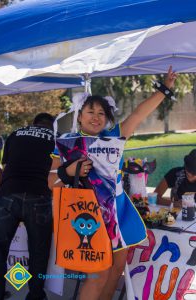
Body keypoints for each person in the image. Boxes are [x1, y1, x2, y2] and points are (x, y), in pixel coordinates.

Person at [48, 66, 176, 300]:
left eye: (102, 113)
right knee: (98, 274)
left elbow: (138, 114)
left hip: (119, 211)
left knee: (116, 271)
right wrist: (69, 171)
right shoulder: (66, 142)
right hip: (88, 215)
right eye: (91, 111)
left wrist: (164, 90)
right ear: (79, 115)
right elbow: (51, 183)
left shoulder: (115, 136)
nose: (96, 117)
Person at [0, 113, 55, 300]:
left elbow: (5, 166)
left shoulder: (16, 133)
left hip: (8, 195)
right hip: (39, 195)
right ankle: (36, 295)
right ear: (52, 126)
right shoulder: (55, 138)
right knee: (38, 252)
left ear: (34, 123)